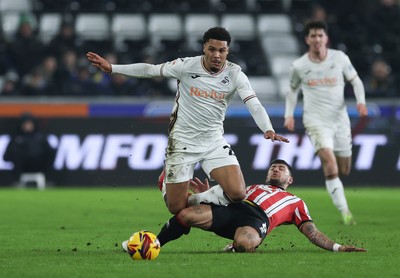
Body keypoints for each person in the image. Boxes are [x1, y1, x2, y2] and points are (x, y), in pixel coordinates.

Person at [87, 27, 289, 215]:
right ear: (204, 48)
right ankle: (165, 182)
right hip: (182, 142)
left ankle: (199, 197)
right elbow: (150, 69)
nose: (217, 55)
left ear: (227, 51)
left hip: (213, 141)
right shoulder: (185, 66)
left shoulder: (235, 73)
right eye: (212, 49)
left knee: (237, 193)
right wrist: (112, 68)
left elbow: (253, 103)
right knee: (175, 208)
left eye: (222, 50)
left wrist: (267, 128)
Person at [123, 159, 366, 253]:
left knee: (243, 244)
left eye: (281, 169)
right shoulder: (249, 188)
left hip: (256, 220)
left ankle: (235, 246)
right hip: (234, 208)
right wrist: (205, 194)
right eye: (273, 167)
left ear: (289, 180)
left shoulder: (296, 202)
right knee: (185, 214)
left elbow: (311, 232)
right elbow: (226, 196)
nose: (276, 169)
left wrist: (337, 247)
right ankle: (153, 244)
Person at [283, 21, 368, 225]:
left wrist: (361, 102)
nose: (317, 39)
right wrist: (289, 114)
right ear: (307, 39)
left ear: (326, 38)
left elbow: (355, 80)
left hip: (340, 121)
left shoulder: (339, 58)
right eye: (313, 36)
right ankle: (345, 212)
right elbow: (292, 90)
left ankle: (340, 196)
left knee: (343, 170)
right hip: (315, 121)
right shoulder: (300, 65)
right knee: (329, 165)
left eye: (320, 35)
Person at [3, 113, 55, 186]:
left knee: (51, 152)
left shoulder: (40, 138)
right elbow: (6, 157)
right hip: (22, 166)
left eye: (29, 124)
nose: (27, 126)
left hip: (38, 165)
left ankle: (46, 180)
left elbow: (49, 152)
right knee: (16, 154)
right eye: (25, 124)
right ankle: (17, 181)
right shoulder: (16, 138)